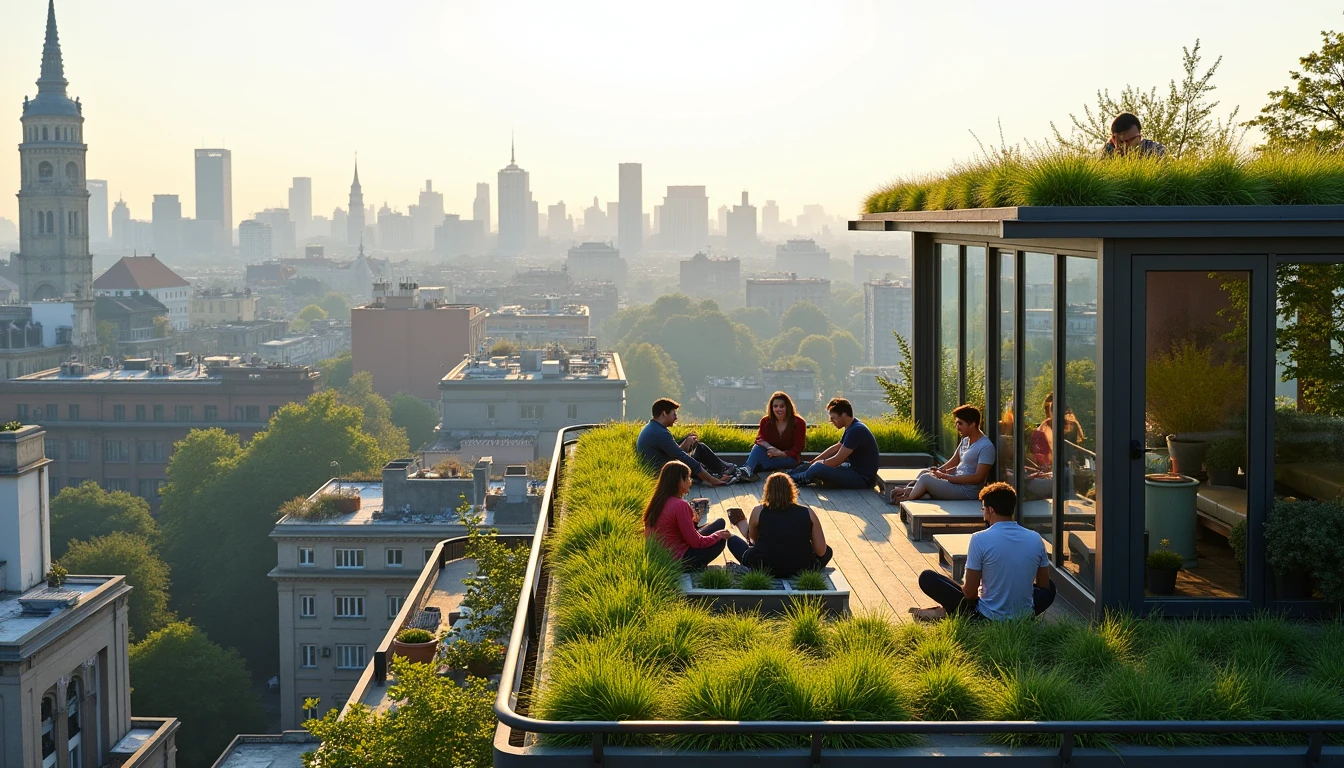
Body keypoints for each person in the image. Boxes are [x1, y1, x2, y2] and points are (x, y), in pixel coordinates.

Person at [912, 482, 1056, 621]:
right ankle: (1017, 610)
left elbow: (970, 593)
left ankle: (944, 612)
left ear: (990, 510)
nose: (983, 513)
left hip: (986, 617)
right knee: (1051, 588)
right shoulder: (1036, 538)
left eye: (983, 509)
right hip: (1023, 615)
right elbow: (1043, 586)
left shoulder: (979, 539)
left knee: (927, 577)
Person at [643, 460, 747, 570]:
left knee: (720, 522)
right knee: (721, 540)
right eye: (687, 478)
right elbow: (696, 542)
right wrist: (718, 536)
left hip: (661, 556)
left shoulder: (657, 501)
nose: (690, 482)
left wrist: (693, 523)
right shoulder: (680, 505)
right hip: (680, 560)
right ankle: (696, 567)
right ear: (679, 481)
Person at [735, 473, 833, 578]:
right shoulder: (808, 512)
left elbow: (753, 540)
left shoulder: (758, 511)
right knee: (828, 551)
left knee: (736, 544)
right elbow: (821, 551)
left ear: (767, 491)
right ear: (791, 490)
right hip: (801, 568)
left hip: (764, 566)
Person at [892, 404, 994, 502]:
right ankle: (909, 491)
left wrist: (946, 477)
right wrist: (939, 471)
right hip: (954, 483)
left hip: (967, 490)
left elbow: (978, 478)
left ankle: (906, 498)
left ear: (972, 424)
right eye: (956, 423)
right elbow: (954, 461)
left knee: (925, 479)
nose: (957, 427)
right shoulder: (965, 440)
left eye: (960, 423)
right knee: (926, 472)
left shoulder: (986, 447)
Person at [636, 397, 738, 486]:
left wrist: (685, 444)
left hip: (662, 467)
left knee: (695, 446)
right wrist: (713, 481)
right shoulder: (660, 433)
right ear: (664, 414)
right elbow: (682, 457)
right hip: (666, 473)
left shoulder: (652, 428)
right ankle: (721, 472)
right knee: (700, 450)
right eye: (674, 414)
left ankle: (721, 471)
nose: (676, 418)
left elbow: (669, 452)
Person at [788, 398, 878, 489]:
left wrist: (819, 464)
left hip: (862, 478)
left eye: (833, 418)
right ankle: (785, 476)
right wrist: (814, 461)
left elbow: (837, 460)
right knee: (809, 465)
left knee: (817, 468)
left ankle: (790, 480)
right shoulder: (852, 426)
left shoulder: (856, 430)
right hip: (852, 469)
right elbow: (836, 447)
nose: (831, 421)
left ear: (843, 415)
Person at [738, 391, 806, 481]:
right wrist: (770, 448)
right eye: (775, 406)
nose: (779, 409)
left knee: (760, 462)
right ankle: (747, 470)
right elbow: (759, 439)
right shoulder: (765, 421)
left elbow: (798, 448)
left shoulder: (799, 423)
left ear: (788, 407)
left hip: (789, 459)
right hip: (771, 456)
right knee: (758, 448)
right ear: (771, 408)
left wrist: (781, 453)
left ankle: (751, 469)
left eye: (782, 406)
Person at [1102, 112, 1167, 158]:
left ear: (1139, 137)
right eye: (1120, 143)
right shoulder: (1107, 151)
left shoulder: (1155, 149)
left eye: (1128, 142)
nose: (1123, 147)